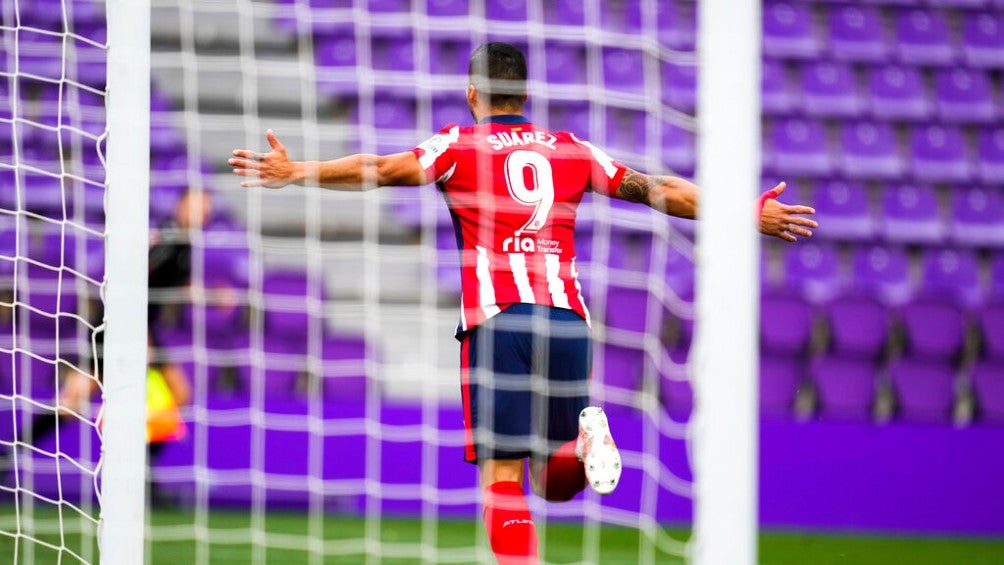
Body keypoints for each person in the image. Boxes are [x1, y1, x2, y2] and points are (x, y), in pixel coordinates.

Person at [229, 42, 817, 564]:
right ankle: (584, 438)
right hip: (567, 320)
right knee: (556, 478)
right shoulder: (571, 149)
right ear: (526, 92)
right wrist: (745, 211)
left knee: (502, 477)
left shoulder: (457, 145)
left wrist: (297, 170)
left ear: (471, 93)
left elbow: (381, 169)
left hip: (498, 320)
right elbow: (658, 190)